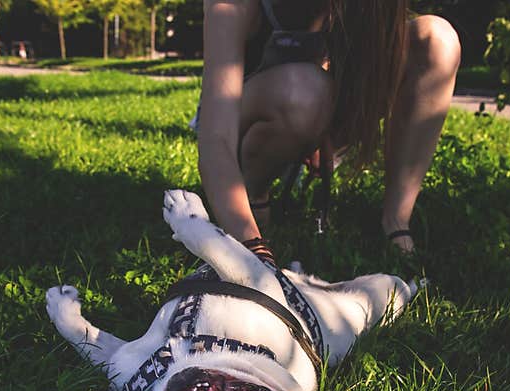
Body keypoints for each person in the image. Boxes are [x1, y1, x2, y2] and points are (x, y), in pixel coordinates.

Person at [194, 0, 461, 264]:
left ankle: (396, 222)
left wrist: (329, 134)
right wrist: (252, 248)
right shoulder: (232, 7)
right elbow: (216, 142)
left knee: (438, 40)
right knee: (304, 90)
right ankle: (253, 194)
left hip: (320, 113)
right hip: (249, 128)